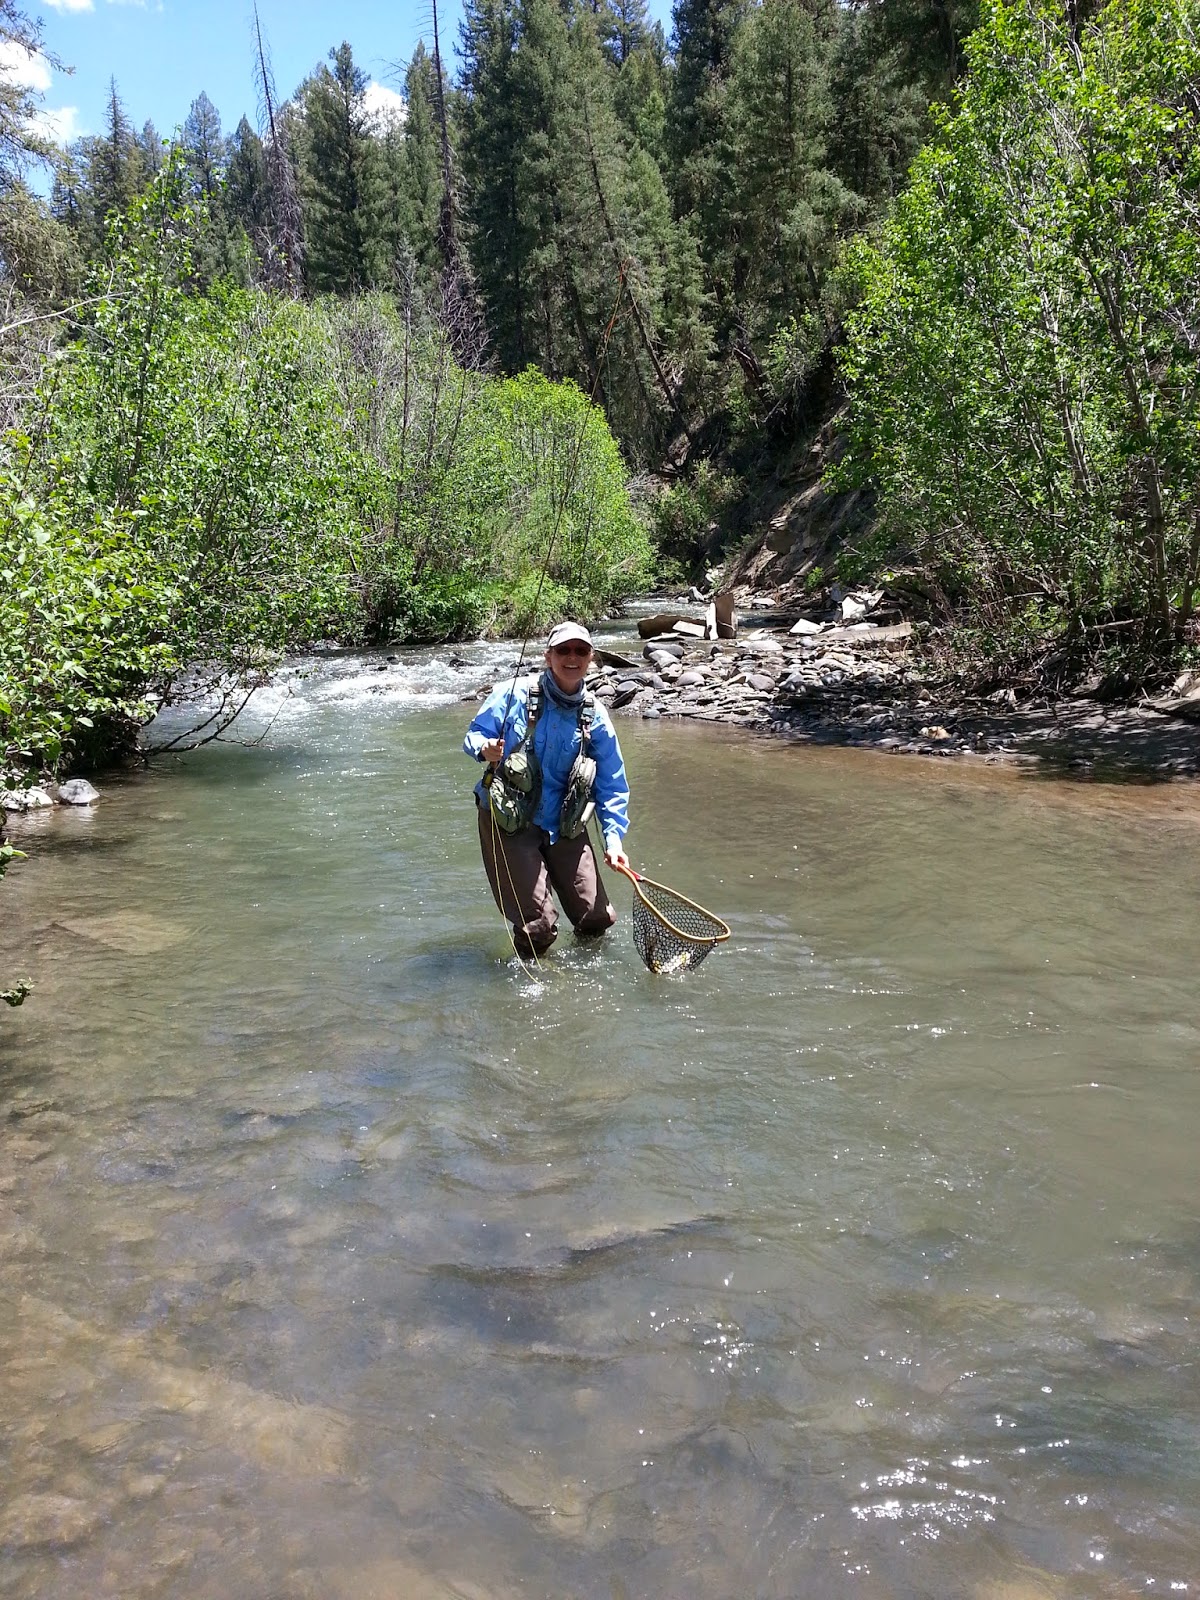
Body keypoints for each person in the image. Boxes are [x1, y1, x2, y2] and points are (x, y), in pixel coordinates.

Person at [464, 621, 631, 960]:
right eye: (563, 651)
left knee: (597, 918)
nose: (572, 658)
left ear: (591, 658)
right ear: (548, 657)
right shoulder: (513, 693)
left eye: (580, 651)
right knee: (539, 926)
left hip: (565, 822)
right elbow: (473, 736)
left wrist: (613, 842)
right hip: (512, 820)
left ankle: (586, 981)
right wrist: (486, 749)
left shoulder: (595, 715)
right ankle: (527, 984)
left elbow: (612, 783)